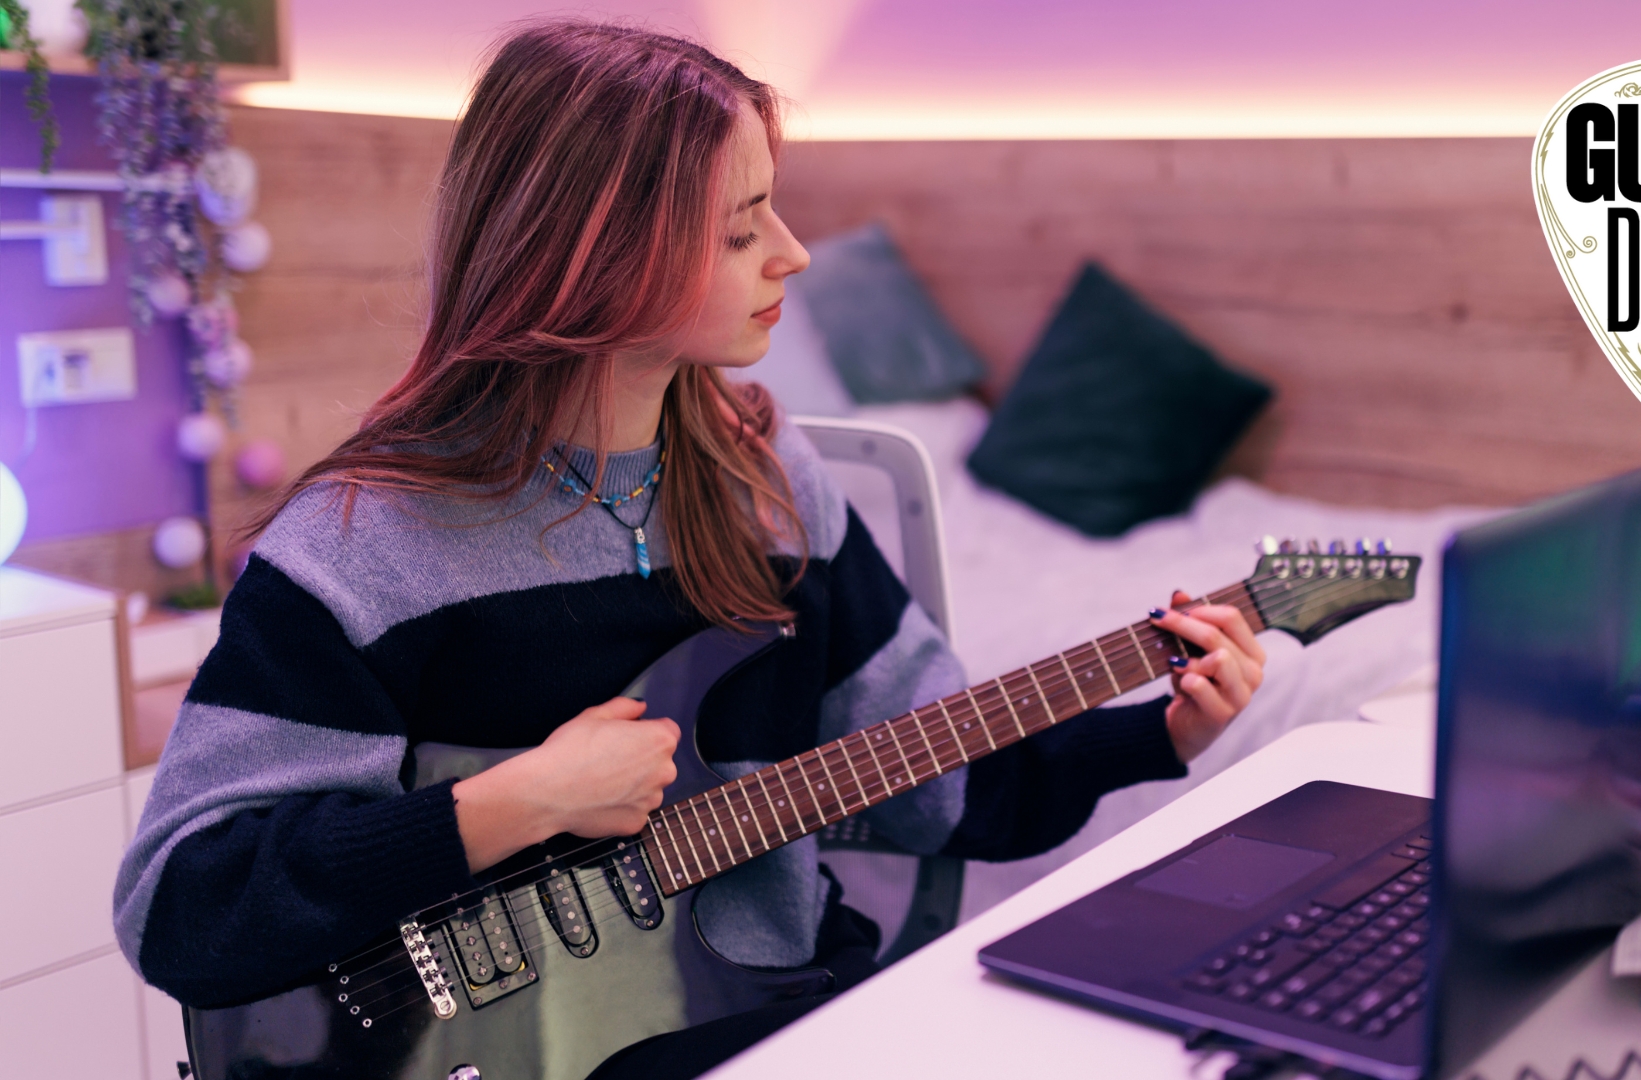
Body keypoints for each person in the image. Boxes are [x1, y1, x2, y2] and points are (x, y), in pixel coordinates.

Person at [113, 19, 1267, 1079]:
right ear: (590, 254)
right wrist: (513, 804)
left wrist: (1159, 734)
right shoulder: (367, 549)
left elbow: (934, 787)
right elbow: (188, 908)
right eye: (738, 228)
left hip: (783, 1012)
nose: (795, 254)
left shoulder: (766, 478)